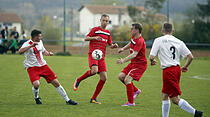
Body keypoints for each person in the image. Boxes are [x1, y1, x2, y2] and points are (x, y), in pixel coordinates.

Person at [149, 23, 203, 117]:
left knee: (174, 99)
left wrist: (152, 60)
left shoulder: (158, 40)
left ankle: (196, 113)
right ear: (173, 31)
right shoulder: (179, 41)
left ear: (162, 30)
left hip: (168, 71)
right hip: (176, 69)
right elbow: (190, 57)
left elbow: (151, 56)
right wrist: (185, 66)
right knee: (164, 95)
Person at [19, 29, 78, 105]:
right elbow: (20, 51)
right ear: (35, 37)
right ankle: (36, 97)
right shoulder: (27, 43)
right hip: (32, 67)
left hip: (43, 66)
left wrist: (48, 53)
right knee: (36, 84)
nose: (41, 37)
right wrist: (31, 46)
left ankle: (68, 100)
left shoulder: (40, 42)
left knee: (56, 82)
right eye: (40, 36)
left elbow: (43, 51)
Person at [73, 14, 118, 104]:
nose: (105, 22)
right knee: (94, 71)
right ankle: (79, 79)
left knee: (104, 78)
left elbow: (110, 45)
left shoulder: (108, 33)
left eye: (107, 21)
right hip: (93, 55)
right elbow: (86, 38)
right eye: (103, 20)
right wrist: (94, 37)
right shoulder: (95, 30)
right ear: (100, 20)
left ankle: (93, 98)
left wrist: (114, 46)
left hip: (101, 57)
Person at [116, 23, 147, 106]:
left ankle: (130, 102)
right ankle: (136, 91)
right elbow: (131, 43)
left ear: (137, 30)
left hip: (140, 65)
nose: (130, 30)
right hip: (133, 63)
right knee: (121, 76)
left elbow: (134, 54)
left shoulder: (140, 41)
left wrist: (123, 60)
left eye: (132, 29)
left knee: (127, 80)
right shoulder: (134, 37)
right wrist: (123, 49)